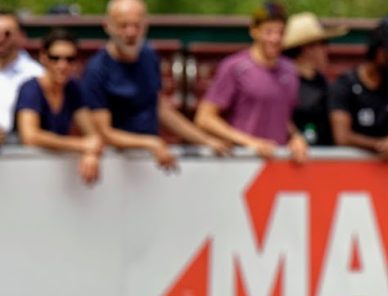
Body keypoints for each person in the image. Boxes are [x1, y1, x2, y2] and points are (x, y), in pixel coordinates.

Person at [81, 0, 227, 170]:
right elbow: (103, 132)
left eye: (137, 25)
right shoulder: (97, 69)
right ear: (108, 26)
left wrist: (205, 140)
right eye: (123, 25)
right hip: (115, 164)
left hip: (149, 162)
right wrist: (150, 143)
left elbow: (159, 108)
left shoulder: (149, 56)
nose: (131, 32)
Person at [195, 2, 308, 163]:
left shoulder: (290, 70)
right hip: (242, 163)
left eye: (280, 32)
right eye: (269, 32)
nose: (275, 39)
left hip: (277, 164)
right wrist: (249, 142)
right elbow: (205, 118)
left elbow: (282, 116)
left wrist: (296, 137)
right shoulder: (235, 68)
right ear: (254, 31)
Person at [14, 27, 103, 185]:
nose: (62, 65)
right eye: (55, 58)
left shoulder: (73, 88)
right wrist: (81, 145)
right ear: (43, 57)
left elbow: (92, 135)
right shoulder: (31, 88)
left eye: (69, 59)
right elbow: (30, 136)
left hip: (51, 179)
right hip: (21, 174)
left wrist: (91, 153)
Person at [329, 20, 388, 160]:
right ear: (381, 53)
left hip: (384, 175)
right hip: (348, 170)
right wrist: (381, 145)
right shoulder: (345, 85)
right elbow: (342, 137)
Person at [283, 11, 346, 147]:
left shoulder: (322, 82)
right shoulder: (284, 82)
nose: (326, 50)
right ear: (307, 48)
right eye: (323, 43)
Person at [0, 9, 44, 144]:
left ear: (21, 36)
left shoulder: (36, 74)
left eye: (7, 33)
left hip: (21, 151)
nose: (1, 39)